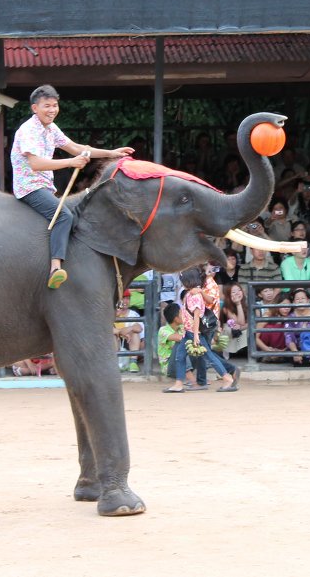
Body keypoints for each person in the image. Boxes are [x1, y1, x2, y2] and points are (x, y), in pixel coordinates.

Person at [11, 84, 133, 290]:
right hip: (30, 187)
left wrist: (111, 153)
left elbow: (77, 148)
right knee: (64, 216)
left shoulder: (51, 129)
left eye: (55, 105)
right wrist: (70, 163)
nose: (52, 110)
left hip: (44, 186)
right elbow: (36, 163)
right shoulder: (28, 130)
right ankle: (55, 267)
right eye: (47, 106)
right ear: (34, 108)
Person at [163, 266, 239, 393]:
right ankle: (179, 383)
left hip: (193, 332)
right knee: (180, 356)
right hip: (189, 331)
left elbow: (196, 315)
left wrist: (196, 335)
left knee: (208, 356)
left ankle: (227, 378)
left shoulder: (194, 295)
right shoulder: (192, 294)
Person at [113, 292, 144, 373]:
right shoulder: (110, 312)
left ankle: (133, 362)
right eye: (123, 298)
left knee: (134, 332)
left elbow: (139, 328)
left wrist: (129, 329)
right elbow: (105, 328)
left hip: (130, 344)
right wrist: (120, 332)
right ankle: (115, 363)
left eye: (128, 298)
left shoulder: (133, 313)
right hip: (116, 345)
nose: (126, 301)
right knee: (113, 335)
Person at [156, 302, 186, 381]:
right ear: (176, 319)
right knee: (181, 344)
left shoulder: (181, 327)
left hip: (180, 363)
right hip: (169, 368)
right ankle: (192, 380)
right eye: (181, 313)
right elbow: (180, 339)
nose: (184, 315)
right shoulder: (163, 330)